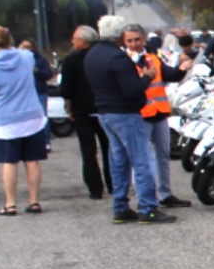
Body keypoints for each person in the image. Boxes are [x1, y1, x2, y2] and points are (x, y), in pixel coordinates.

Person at [85, 17, 174, 225]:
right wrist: (147, 77)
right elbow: (132, 89)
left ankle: (120, 206)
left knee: (119, 161)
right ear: (119, 35)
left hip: (105, 112)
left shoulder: (92, 55)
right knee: (141, 160)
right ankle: (147, 208)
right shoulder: (119, 58)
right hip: (126, 113)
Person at [0, 26, 50, 215]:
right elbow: (24, 53)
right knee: (32, 161)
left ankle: (10, 203)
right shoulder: (25, 58)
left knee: (10, 162)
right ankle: (34, 201)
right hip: (31, 115)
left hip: (6, 119)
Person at [132, 25, 190, 208]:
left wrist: (182, 69)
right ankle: (145, 197)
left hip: (159, 112)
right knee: (143, 159)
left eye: (137, 39)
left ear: (144, 40)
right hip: (140, 115)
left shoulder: (153, 58)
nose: (134, 44)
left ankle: (165, 194)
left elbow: (170, 75)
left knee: (163, 156)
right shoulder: (125, 61)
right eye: (129, 41)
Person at [61, 26, 108, 200]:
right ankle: (114, 183)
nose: (72, 41)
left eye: (74, 38)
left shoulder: (70, 61)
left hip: (82, 110)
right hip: (104, 108)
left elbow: (67, 89)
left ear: (82, 41)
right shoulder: (102, 57)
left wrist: (69, 108)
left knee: (88, 152)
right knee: (109, 149)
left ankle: (95, 188)